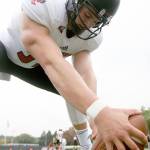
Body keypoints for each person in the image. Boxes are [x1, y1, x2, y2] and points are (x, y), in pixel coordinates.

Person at [0, 0, 148, 149]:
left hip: (36, 65)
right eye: (87, 15)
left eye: (96, 22)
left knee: (75, 88)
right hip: (5, 53)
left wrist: (95, 119)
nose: (89, 24)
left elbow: (83, 75)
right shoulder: (46, 7)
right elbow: (52, 62)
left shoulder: (92, 38)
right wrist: (101, 113)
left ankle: (86, 144)